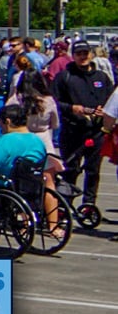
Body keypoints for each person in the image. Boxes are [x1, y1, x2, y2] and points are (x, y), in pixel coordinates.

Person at [53, 41, 112, 210]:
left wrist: (104, 109)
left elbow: (111, 100)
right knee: (71, 169)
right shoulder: (65, 76)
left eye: (85, 53)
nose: (83, 57)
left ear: (91, 54)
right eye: (79, 53)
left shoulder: (101, 77)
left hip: (96, 131)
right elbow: (55, 102)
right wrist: (72, 108)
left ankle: (89, 204)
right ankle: (65, 205)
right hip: (73, 131)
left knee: (93, 170)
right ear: (73, 55)